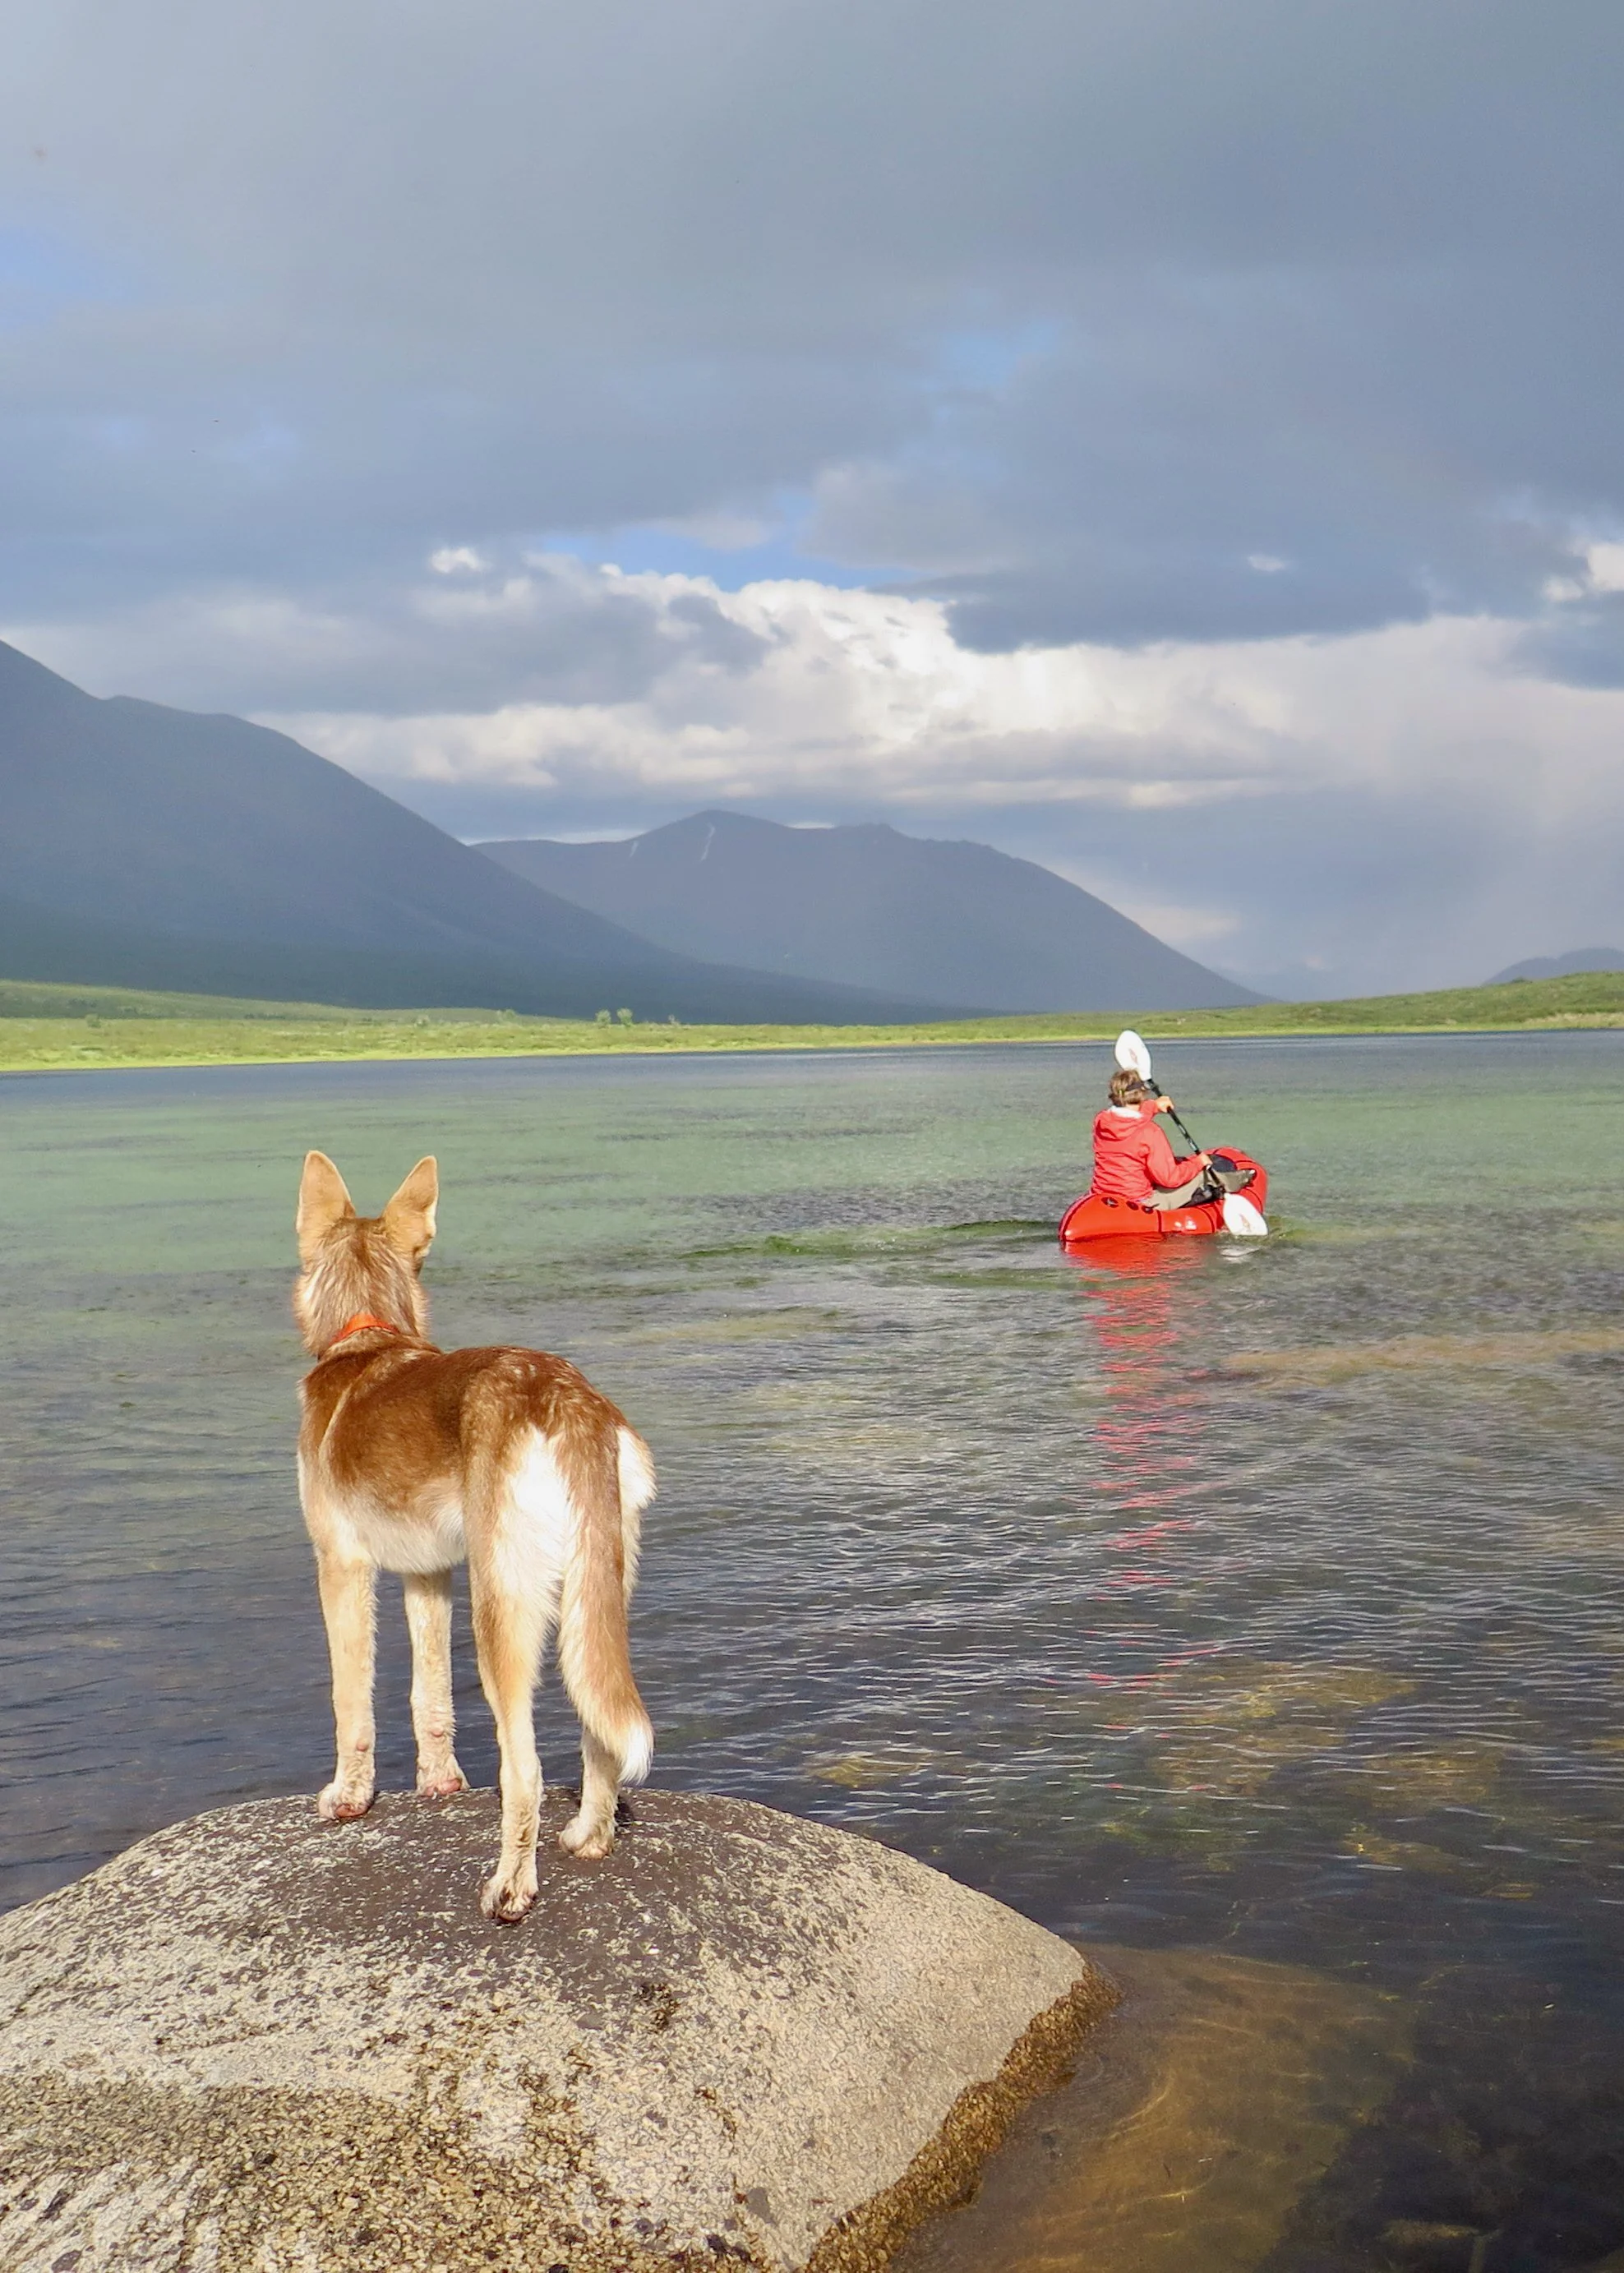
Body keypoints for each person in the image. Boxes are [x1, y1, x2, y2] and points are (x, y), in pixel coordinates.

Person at [1089, 1068, 1214, 1210]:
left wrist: (1154, 1106)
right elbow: (1169, 1179)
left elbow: (1129, 1119)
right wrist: (1198, 1163)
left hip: (1103, 1194)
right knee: (1204, 1174)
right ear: (1142, 1094)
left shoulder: (1101, 1121)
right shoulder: (1150, 1132)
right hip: (1139, 1201)